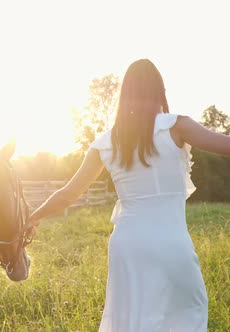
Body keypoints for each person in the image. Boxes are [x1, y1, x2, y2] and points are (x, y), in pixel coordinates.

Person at [26, 59, 230, 331]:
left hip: (127, 246)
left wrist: (34, 216)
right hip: (171, 243)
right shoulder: (178, 126)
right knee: (188, 311)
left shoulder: (104, 143)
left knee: (130, 321)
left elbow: (68, 193)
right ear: (160, 90)